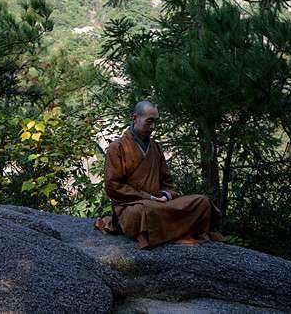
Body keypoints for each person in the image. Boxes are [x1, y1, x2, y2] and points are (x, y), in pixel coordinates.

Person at [95, 100, 223, 248]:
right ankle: (177, 229)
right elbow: (112, 186)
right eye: (149, 122)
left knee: (202, 202)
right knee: (145, 211)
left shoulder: (155, 147)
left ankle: (169, 230)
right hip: (132, 206)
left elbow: (167, 182)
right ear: (135, 118)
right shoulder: (116, 147)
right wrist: (148, 197)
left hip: (160, 203)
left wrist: (165, 195)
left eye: (155, 122)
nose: (153, 127)